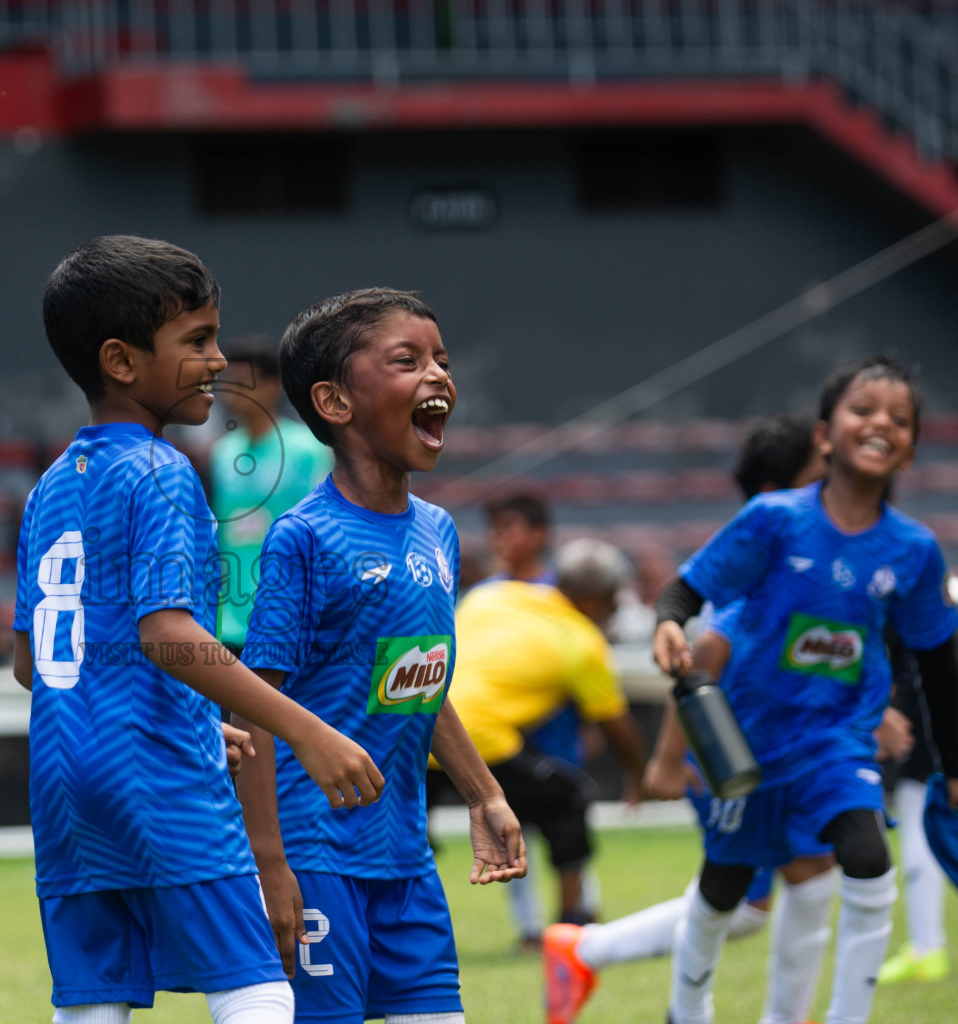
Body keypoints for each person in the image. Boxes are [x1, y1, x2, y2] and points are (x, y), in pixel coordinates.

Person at [12, 236, 384, 1024]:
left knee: (94, 995)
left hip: (63, 779)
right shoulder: (160, 467)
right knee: (255, 987)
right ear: (121, 361)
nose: (218, 359)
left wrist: (186, 717)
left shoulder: (52, 483)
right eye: (197, 340)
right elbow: (165, 631)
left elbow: (32, 662)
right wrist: (305, 731)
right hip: (155, 774)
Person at [651, 356, 958, 1024]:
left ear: (911, 450)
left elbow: (935, 661)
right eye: (864, 410)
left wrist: (954, 762)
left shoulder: (913, 551)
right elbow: (689, 586)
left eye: (899, 418)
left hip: (838, 743)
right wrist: (667, 621)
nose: (881, 423)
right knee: (724, 888)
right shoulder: (774, 520)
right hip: (748, 743)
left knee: (865, 853)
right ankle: (686, 1011)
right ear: (826, 435)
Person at [236, 287, 526, 1024]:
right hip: (316, 856)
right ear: (334, 403)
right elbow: (251, 710)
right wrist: (270, 863)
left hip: (405, 860)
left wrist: (483, 792)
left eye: (442, 360)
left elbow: (414, 687)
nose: (439, 377)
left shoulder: (438, 531)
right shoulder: (303, 538)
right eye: (408, 360)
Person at [544, 413, 841, 1024]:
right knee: (748, 897)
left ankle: (590, 954)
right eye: (819, 480)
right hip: (732, 761)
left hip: (777, 758)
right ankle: (590, 953)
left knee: (772, 892)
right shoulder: (762, 562)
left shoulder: (796, 561)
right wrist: (668, 759)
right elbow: (706, 658)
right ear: (775, 497)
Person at [438, 538, 650, 930]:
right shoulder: (583, 641)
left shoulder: (492, 594)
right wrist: (639, 776)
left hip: (420, 724)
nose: (615, 611)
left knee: (407, 826)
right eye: (613, 601)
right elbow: (617, 726)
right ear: (592, 600)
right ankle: (570, 924)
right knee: (568, 798)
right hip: (475, 737)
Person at [485, 492, 594, 947]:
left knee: (566, 830)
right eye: (496, 530)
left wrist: (589, 725)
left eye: (511, 528)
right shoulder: (486, 595)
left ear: (539, 535)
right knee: (509, 833)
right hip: (502, 737)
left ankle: (575, 919)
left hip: (555, 735)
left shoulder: (562, 594)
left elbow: (587, 663)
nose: (500, 539)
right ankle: (530, 929)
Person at [879, 606, 958, 983]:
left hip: (943, 701)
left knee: (920, 824)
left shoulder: (902, 613)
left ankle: (927, 948)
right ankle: (926, 949)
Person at [210, 341, 332, 655]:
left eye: (242, 382)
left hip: (288, 621)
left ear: (272, 386)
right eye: (228, 383)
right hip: (231, 625)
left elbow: (324, 530)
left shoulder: (307, 449)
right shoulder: (222, 454)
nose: (231, 392)